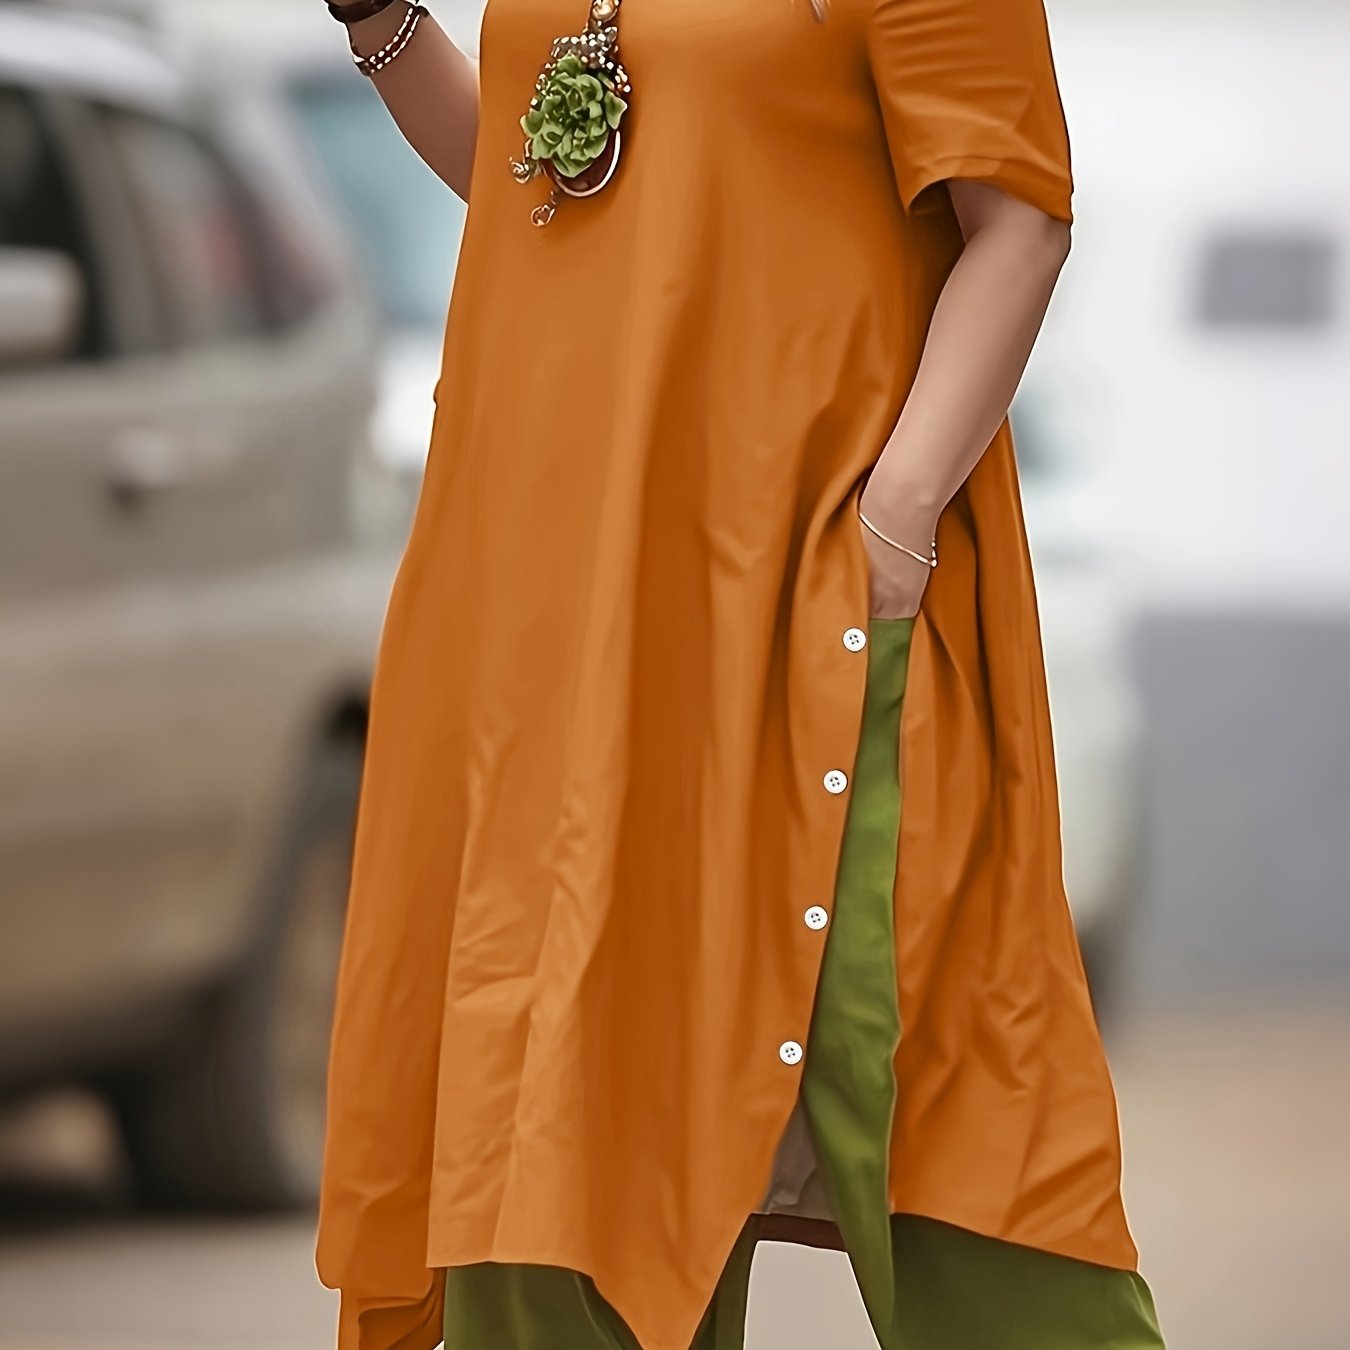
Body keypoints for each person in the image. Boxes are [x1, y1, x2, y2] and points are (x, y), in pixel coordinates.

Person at [314, 1, 1167, 1348]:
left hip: (805, 600)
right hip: (561, 607)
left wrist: (892, 524)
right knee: (551, 1129)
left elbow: (1019, 220)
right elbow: (539, 180)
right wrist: (380, 22)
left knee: (937, 1116)